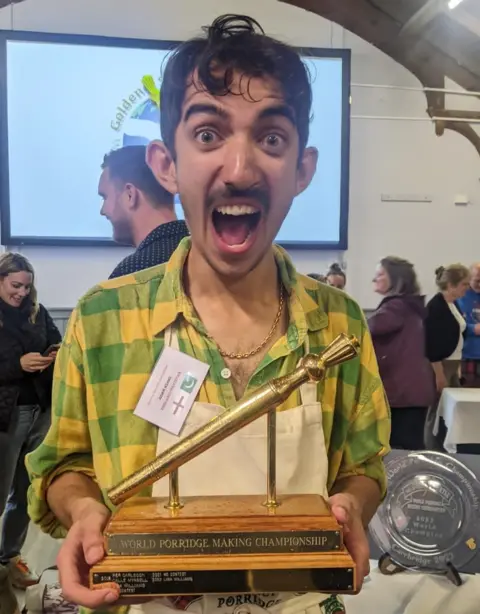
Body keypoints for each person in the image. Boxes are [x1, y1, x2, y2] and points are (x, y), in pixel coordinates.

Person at [27, 15, 390, 614]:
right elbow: (62, 463)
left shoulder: (340, 324)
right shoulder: (103, 319)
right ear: (167, 165)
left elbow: (365, 462)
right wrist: (85, 510)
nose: (241, 168)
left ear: (303, 170)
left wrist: (354, 503)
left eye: (271, 138)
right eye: (207, 135)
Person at [0, 253, 61, 601]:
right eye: (15, 285)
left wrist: (53, 354)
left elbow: (55, 339)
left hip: (40, 412)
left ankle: (10, 557)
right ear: (1, 280)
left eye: (27, 286)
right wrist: (18, 364)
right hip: (7, 417)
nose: (22, 292)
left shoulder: (38, 311)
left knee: (24, 492)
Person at [369, 256, 434, 450]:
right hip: (410, 391)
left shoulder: (396, 307)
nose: (375, 279)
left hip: (401, 393)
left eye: (380, 274)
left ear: (396, 279)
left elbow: (364, 328)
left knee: (401, 452)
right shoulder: (408, 306)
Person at [99, 145, 189, 278]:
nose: (103, 211)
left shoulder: (132, 273)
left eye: (105, 197)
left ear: (130, 195)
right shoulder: (202, 257)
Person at [424, 264, 470, 450]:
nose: (467, 288)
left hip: (453, 363)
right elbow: (431, 342)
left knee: (450, 412)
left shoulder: (453, 304)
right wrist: (439, 373)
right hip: (441, 364)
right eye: (464, 284)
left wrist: (457, 369)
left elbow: (458, 336)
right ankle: (430, 449)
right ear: (451, 285)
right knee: (435, 411)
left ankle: (446, 447)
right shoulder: (436, 306)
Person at [457, 263, 480, 387]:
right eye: (477, 280)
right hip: (468, 355)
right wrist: (472, 329)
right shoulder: (460, 296)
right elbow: (452, 324)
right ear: (469, 278)